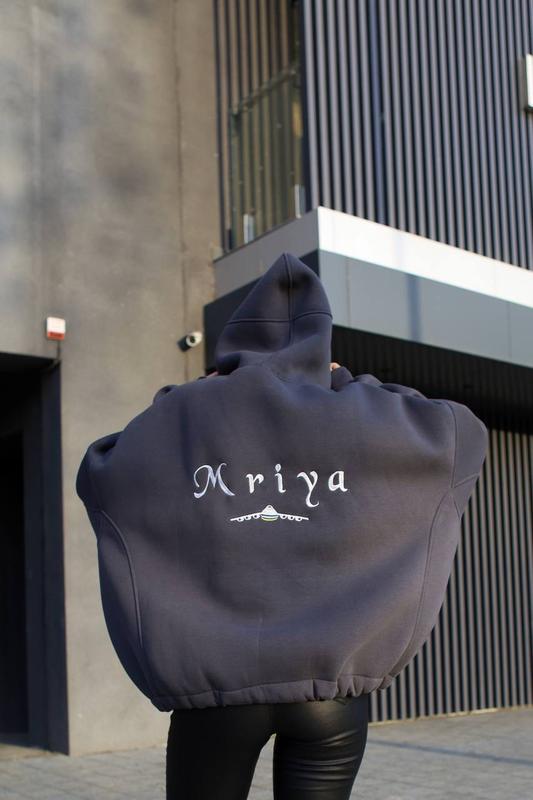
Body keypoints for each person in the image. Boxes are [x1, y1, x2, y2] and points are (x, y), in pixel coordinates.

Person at [76, 253, 488, 800]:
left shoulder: (194, 409)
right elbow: (461, 432)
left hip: (216, 697)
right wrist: (349, 381)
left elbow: (102, 467)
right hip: (329, 696)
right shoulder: (355, 409)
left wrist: (188, 395)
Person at [165, 363, 369, 800]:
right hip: (325, 688)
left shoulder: (198, 440)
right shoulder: (348, 438)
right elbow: (451, 430)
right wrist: (347, 382)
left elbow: (113, 459)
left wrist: (201, 390)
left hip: (221, 686)